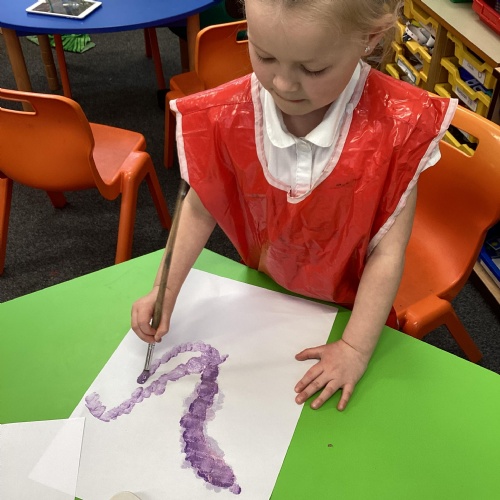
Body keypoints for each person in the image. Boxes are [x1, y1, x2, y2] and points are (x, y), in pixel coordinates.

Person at [132, 0, 457, 412]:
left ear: (369, 38)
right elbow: (199, 208)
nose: (283, 84)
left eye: (313, 69)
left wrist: (354, 348)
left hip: (350, 309)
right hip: (266, 296)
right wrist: (164, 289)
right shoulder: (232, 114)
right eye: (264, 55)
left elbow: (387, 254)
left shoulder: (396, 128)